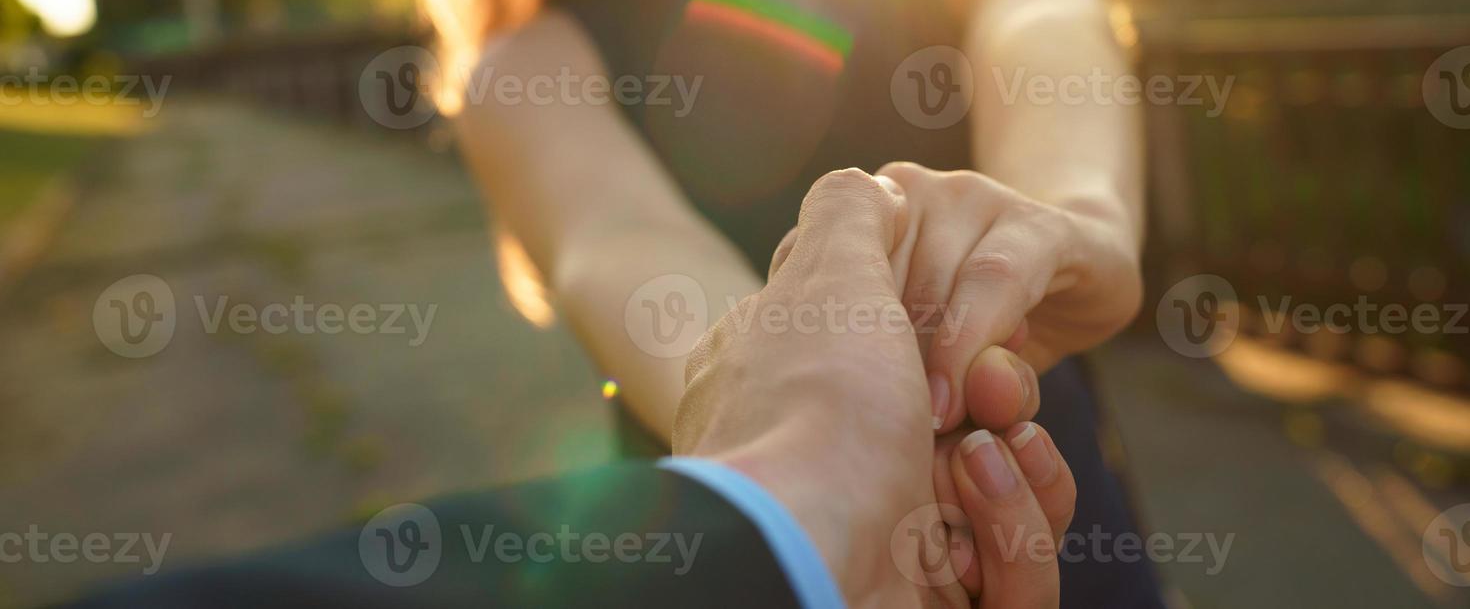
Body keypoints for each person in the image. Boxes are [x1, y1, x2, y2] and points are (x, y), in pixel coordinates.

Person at [426, 0, 1161, 605]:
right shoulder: (529, 71)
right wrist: (831, 453)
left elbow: (1070, 175)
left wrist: (1064, 237)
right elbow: (645, 277)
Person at [64, 172, 1075, 608]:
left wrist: (1048, 243)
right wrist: (809, 469)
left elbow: (1088, 202)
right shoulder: (529, 58)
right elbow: (626, 255)